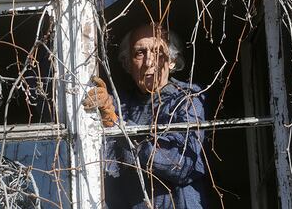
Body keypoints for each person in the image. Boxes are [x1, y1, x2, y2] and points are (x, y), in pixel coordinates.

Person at [83, 23, 207, 208]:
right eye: (139, 53)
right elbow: (102, 168)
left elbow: (183, 166)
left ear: (172, 60)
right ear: (127, 63)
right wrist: (105, 114)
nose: (149, 62)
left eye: (158, 52)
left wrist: (120, 126)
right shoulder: (117, 105)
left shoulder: (187, 99)